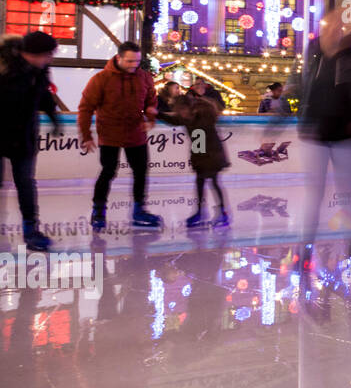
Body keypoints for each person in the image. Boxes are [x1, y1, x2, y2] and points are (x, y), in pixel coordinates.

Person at [297, 9, 351, 289]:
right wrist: (300, 114)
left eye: (338, 27)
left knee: (347, 195)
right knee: (313, 194)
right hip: (316, 132)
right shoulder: (313, 50)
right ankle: (304, 247)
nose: (334, 31)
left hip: (346, 133)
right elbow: (303, 81)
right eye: (330, 26)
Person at [78, 42, 161, 229]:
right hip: (109, 133)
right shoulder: (101, 79)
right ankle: (99, 210)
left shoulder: (144, 77)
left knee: (141, 172)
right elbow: (85, 108)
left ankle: (139, 210)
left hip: (136, 133)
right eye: (130, 61)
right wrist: (86, 135)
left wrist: (150, 114)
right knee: (108, 171)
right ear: (118, 58)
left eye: (137, 61)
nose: (134, 65)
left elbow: (151, 100)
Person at [0, 31, 60, 251]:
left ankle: (31, 230)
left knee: (25, 182)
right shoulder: (5, 70)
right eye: (47, 55)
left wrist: (54, 118)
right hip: (2, 133)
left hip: (24, 136)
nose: (50, 59)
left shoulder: (40, 69)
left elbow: (44, 95)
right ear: (31, 54)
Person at [162, 94, 230, 228]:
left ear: (189, 108)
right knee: (200, 182)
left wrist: (202, 158)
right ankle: (201, 212)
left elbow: (202, 139)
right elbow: (174, 120)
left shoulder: (203, 116)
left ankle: (221, 213)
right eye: (179, 111)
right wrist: (156, 114)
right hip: (201, 156)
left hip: (212, 155)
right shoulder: (187, 118)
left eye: (183, 110)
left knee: (213, 182)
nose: (181, 113)